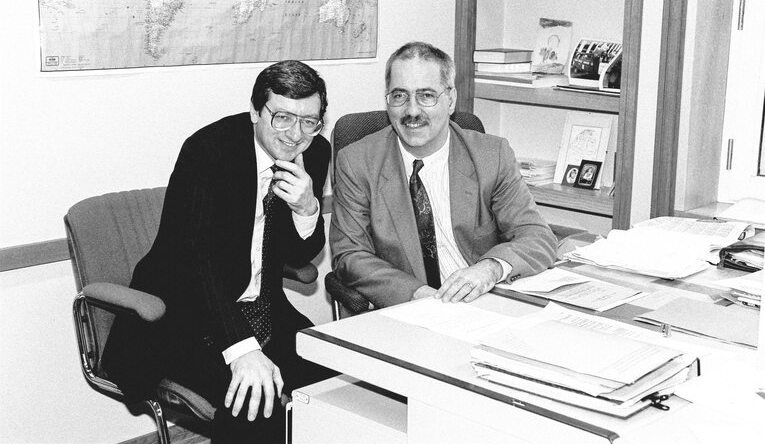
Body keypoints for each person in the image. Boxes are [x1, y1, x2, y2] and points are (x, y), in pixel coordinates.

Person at [102, 60, 334, 443]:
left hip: (264, 309)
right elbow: (196, 263)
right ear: (256, 111)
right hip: (186, 316)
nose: (295, 135)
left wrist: (308, 209)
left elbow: (297, 256)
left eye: (309, 121)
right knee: (255, 402)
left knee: (338, 379)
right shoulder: (208, 151)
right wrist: (242, 350)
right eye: (282, 118)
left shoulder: (316, 152)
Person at [330, 42, 557, 309]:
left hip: (484, 303)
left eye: (426, 96)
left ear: (450, 100)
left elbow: (536, 235)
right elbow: (350, 255)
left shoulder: (491, 155)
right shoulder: (357, 162)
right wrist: (415, 294)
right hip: (409, 308)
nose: (412, 111)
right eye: (399, 96)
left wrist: (490, 268)